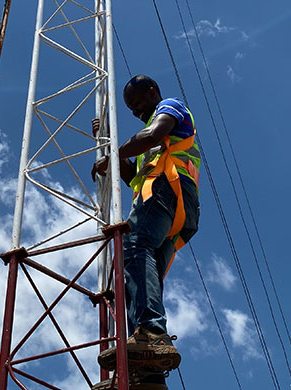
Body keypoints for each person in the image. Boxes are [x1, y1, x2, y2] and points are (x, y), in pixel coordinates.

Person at [91, 75, 200, 389]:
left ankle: (152, 333)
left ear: (152, 92)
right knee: (138, 278)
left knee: (134, 250)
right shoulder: (146, 148)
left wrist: (116, 150)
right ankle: (147, 374)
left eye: (138, 103)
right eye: (131, 108)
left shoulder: (170, 107)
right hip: (174, 207)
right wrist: (110, 151)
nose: (136, 111)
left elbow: (152, 135)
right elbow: (131, 178)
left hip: (169, 189)